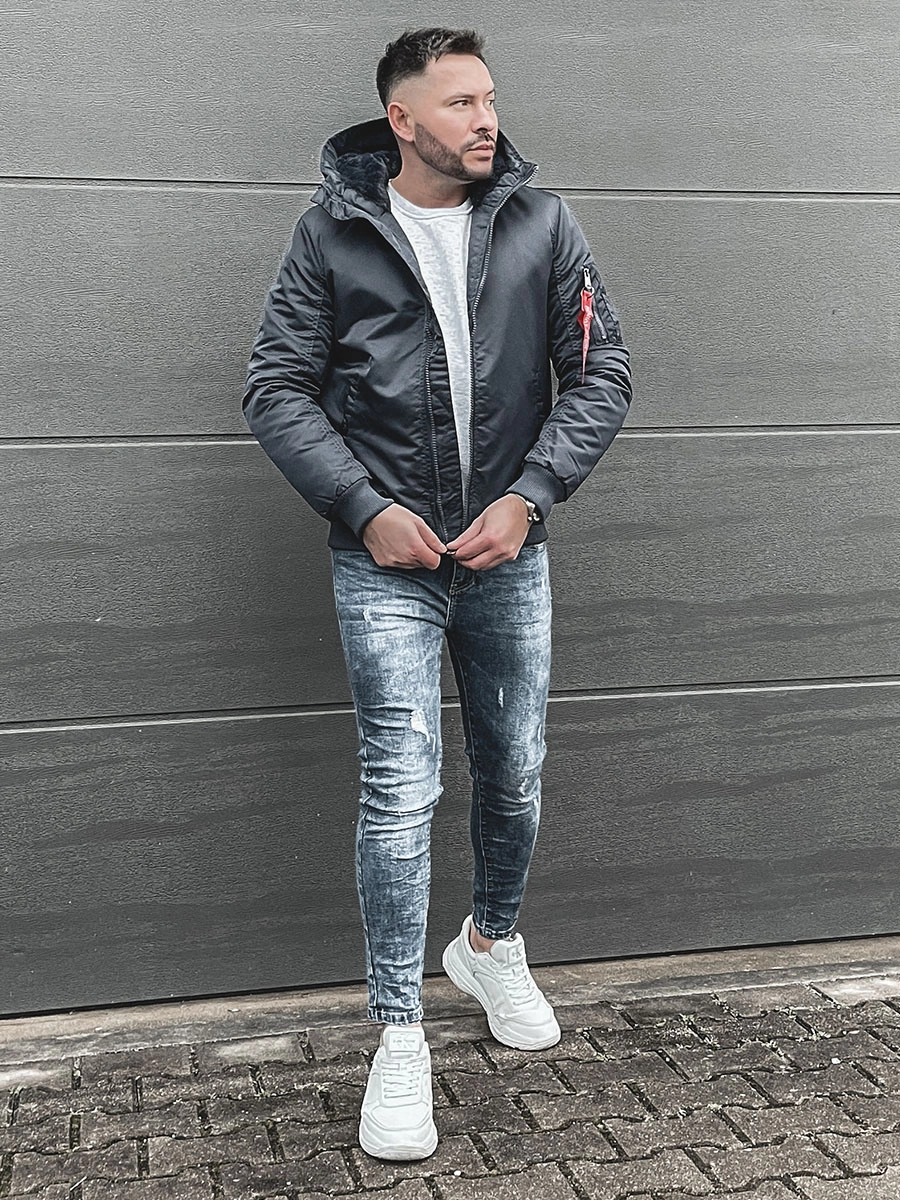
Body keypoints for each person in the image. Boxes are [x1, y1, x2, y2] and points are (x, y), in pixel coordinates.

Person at [243, 26, 631, 1162]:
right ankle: (400, 1030)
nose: (486, 119)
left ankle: (491, 943)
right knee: (400, 786)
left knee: (514, 772)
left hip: (507, 552)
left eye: (490, 98)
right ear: (401, 119)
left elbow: (603, 371)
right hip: (386, 562)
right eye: (460, 102)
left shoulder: (542, 224)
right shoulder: (332, 233)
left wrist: (530, 498)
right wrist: (365, 508)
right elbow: (276, 388)